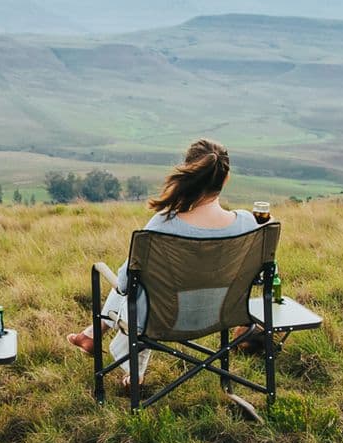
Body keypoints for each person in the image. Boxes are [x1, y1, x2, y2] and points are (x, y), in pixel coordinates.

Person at [65, 138, 261, 387]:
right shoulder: (247, 222)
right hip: (220, 314)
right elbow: (259, 275)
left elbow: (124, 284)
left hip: (164, 320)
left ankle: (121, 361)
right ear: (225, 179)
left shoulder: (163, 223)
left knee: (134, 281)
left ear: (189, 174)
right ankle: (93, 337)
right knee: (139, 280)